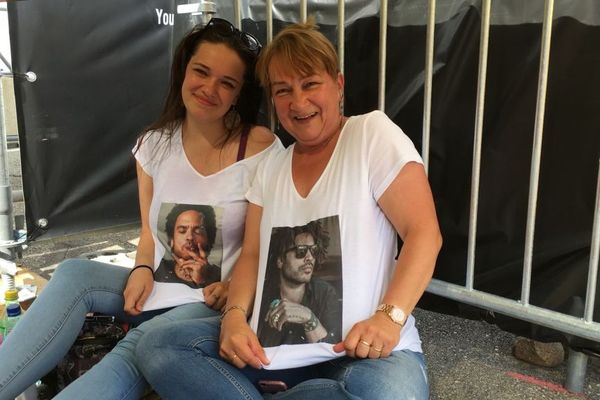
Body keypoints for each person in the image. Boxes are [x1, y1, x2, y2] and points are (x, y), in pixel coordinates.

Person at [136, 19, 442, 400]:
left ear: (339, 85)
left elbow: (424, 233)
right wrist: (233, 317)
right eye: (283, 90)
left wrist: (389, 317)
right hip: (269, 354)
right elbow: (251, 255)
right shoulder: (272, 166)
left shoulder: (370, 135)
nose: (299, 102)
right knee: (160, 346)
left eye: (310, 84)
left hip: (368, 355)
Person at [0, 17, 282, 400]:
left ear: (238, 94)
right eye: (202, 72)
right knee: (72, 273)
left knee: (141, 345)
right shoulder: (154, 143)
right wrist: (143, 267)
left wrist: (235, 288)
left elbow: (269, 243)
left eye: (226, 83)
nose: (209, 88)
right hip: (159, 287)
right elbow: (150, 233)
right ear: (184, 71)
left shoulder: (261, 147)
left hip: (214, 302)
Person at [258, 219, 342, 346]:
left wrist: (308, 317)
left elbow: (334, 347)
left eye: (313, 250)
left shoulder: (325, 293)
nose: (309, 258)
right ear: (280, 260)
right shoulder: (261, 293)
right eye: (301, 251)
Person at [154, 204, 220, 288]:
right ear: (171, 240)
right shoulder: (157, 268)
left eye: (198, 231)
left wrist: (201, 280)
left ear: (209, 239)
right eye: (182, 231)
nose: (190, 237)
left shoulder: (222, 275)